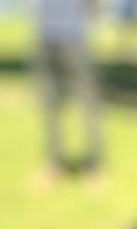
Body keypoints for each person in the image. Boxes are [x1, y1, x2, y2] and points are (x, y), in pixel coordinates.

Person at [34, 0, 103, 175]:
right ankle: (55, 163)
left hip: (74, 37)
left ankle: (94, 164)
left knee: (88, 104)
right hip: (45, 35)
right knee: (49, 105)